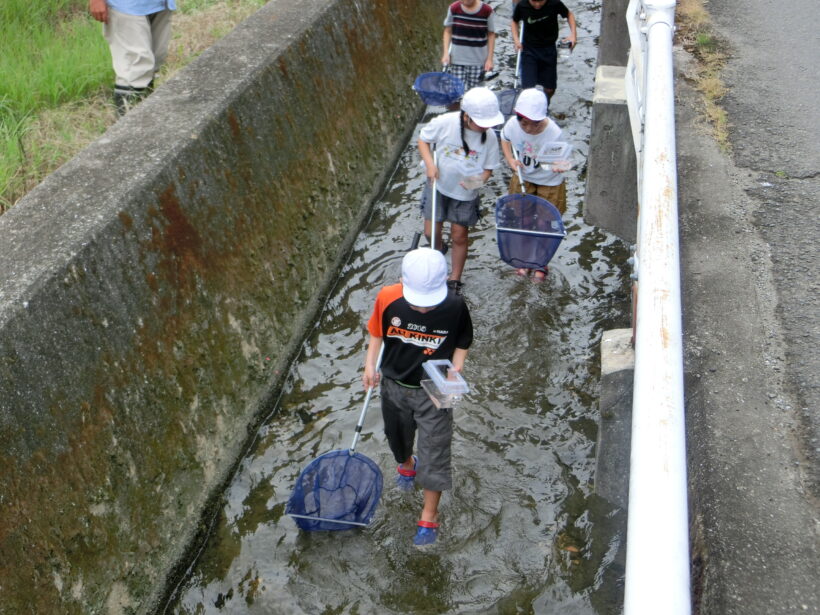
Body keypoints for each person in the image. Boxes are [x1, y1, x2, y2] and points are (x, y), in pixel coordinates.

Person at [363, 248, 473, 546]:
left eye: (429, 304)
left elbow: (463, 340)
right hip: (395, 384)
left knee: (436, 448)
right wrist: (369, 365)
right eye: (418, 303)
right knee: (396, 437)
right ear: (403, 283)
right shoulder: (387, 297)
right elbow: (377, 333)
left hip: (436, 386)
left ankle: (429, 514)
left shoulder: (454, 306)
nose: (423, 310)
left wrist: (457, 366)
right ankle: (407, 464)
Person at [417, 86, 503, 293]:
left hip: (465, 194)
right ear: (466, 116)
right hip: (437, 185)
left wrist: (476, 182)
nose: (484, 127)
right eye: (480, 123)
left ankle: (454, 278)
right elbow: (423, 140)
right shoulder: (445, 122)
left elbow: (488, 170)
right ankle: (439, 249)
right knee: (430, 232)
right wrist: (430, 164)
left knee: (459, 235)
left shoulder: (490, 137)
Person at [500, 88, 571, 282]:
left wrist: (559, 166)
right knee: (522, 219)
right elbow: (505, 139)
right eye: (525, 124)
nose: (529, 129)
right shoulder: (513, 126)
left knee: (544, 224)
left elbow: (565, 161)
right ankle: (524, 259)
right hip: (524, 176)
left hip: (549, 181)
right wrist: (510, 160)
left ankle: (540, 261)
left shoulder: (554, 133)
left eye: (535, 124)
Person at [88, 0, 176, 115]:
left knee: (156, 60)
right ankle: (127, 125)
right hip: (125, 6)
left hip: (160, 5)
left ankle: (147, 119)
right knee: (136, 66)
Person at [511, 0, 577, 102]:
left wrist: (573, 35)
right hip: (529, 50)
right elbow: (514, 21)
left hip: (548, 49)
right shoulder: (522, 5)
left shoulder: (555, 3)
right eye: (534, 1)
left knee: (550, 89)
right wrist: (516, 40)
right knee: (528, 90)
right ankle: (529, 111)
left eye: (541, 1)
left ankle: (544, 106)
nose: (537, 5)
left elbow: (569, 15)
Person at [441, 0, 498, 91]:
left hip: (478, 62)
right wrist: (446, 53)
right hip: (457, 60)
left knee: (476, 96)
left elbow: (491, 34)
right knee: (455, 94)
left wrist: (489, 59)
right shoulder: (454, 8)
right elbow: (447, 31)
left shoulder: (486, 10)